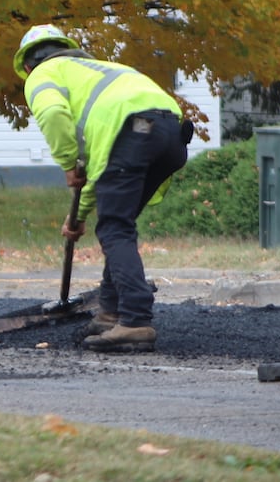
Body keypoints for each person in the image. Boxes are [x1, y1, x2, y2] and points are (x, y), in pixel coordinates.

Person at [13, 24, 190, 353]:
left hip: (132, 134)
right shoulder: (105, 70)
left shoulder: (42, 74)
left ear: (27, 65)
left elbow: (52, 113)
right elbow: (101, 173)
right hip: (170, 134)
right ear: (69, 48)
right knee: (117, 222)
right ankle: (111, 313)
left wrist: (67, 163)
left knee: (114, 227)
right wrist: (78, 217)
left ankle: (135, 320)